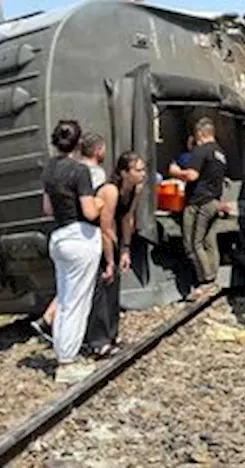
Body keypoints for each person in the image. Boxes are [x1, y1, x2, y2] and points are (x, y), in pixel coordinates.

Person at [40, 120, 105, 384]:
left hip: (59, 238)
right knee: (77, 301)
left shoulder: (49, 170)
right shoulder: (79, 171)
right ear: (78, 144)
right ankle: (67, 361)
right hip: (81, 237)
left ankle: (63, 354)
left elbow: (47, 209)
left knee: (65, 300)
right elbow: (89, 211)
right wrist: (101, 202)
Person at [85, 150, 147, 357]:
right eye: (138, 170)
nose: (143, 174)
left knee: (114, 286)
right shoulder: (110, 191)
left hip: (113, 237)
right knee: (102, 285)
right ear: (124, 172)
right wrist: (110, 259)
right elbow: (106, 225)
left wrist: (126, 249)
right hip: (95, 238)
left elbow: (127, 218)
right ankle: (97, 340)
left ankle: (112, 334)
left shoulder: (135, 189)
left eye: (143, 169)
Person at [168, 118, 226, 301]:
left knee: (193, 243)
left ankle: (205, 283)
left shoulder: (201, 151)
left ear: (200, 134)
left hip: (199, 202)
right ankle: (213, 278)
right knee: (209, 241)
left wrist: (175, 171)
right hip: (214, 201)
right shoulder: (220, 152)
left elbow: (192, 175)